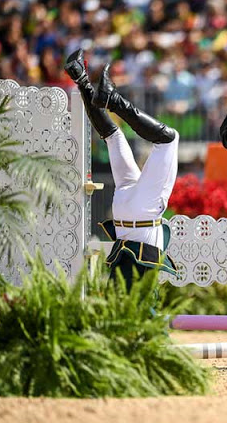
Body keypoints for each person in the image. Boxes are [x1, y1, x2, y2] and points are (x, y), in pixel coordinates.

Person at [64, 49, 178, 290]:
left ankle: (104, 95)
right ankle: (82, 79)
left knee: (166, 139)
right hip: (125, 214)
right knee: (115, 137)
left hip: (141, 213)